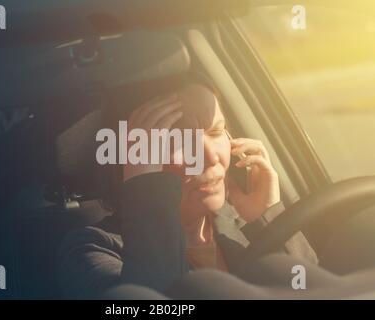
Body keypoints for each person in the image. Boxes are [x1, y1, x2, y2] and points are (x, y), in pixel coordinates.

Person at [56, 75, 370, 299]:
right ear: (135, 163)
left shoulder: (241, 225)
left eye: (217, 131)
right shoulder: (91, 249)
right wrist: (148, 194)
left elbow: (315, 292)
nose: (208, 155)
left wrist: (270, 218)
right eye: (177, 140)